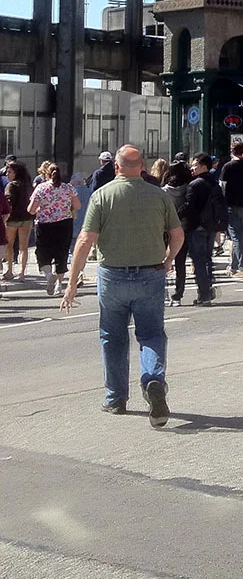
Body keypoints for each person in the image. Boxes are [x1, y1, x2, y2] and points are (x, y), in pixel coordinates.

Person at [60, 144, 182, 426]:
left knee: (112, 336)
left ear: (116, 167)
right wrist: (168, 260)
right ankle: (153, 380)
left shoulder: (102, 195)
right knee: (151, 334)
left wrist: (72, 283)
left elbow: (85, 240)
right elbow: (177, 234)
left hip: (112, 275)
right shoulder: (158, 195)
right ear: (142, 166)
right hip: (151, 273)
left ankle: (116, 398)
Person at [179, 153, 225, 305]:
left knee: (198, 261)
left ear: (204, 167)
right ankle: (208, 290)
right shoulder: (214, 182)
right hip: (211, 225)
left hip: (196, 226)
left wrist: (176, 215)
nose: (192, 167)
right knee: (207, 259)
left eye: (195, 165)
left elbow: (189, 207)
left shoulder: (195, 184)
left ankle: (204, 294)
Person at [28, 163, 80, 297]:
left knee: (43, 251)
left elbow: (31, 209)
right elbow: (77, 205)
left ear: (46, 174)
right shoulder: (68, 187)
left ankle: (49, 275)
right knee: (61, 253)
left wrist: (42, 209)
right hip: (64, 224)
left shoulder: (41, 188)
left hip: (45, 224)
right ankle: (59, 285)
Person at [219, 142, 243, 276]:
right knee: (239, 234)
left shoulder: (227, 167)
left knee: (235, 236)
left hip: (230, 203)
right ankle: (234, 266)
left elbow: (222, 186)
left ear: (232, 152)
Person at [161, 161, 192, 305]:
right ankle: (178, 294)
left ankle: (164, 293)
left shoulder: (164, 191)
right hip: (183, 227)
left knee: (162, 261)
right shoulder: (188, 188)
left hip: (166, 228)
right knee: (181, 263)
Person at [3, 160, 33, 281]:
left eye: (9, 172)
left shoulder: (11, 186)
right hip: (26, 218)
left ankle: (9, 271)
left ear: (15, 173)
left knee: (9, 245)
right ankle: (22, 273)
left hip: (13, 219)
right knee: (23, 247)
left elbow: (8, 202)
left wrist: (4, 217)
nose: (7, 174)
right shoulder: (27, 185)